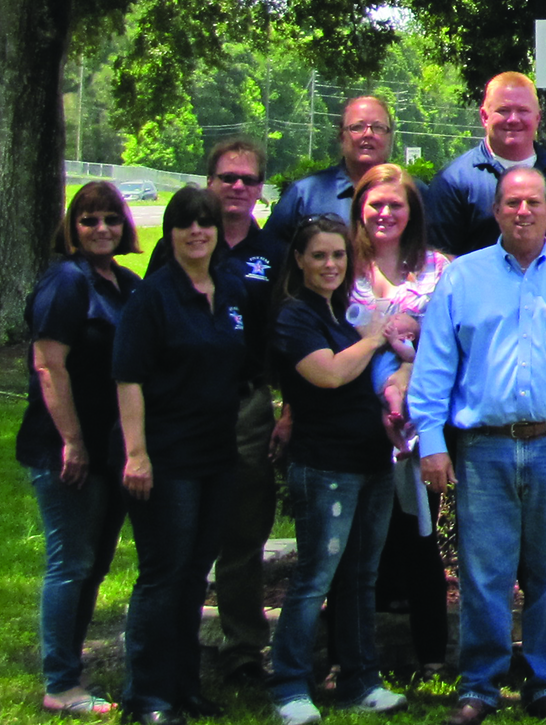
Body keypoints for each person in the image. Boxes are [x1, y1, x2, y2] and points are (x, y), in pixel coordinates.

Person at [408, 167, 546, 725]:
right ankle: (479, 685)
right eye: (512, 203)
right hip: (483, 448)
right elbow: (433, 369)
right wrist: (431, 441)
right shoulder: (462, 278)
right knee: (484, 573)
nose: (523, 212)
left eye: (534, 202)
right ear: (497, 212)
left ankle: (545, 681)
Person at [144, 140, 289, 688]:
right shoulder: (177, 244)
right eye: (227, 177)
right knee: (180, 535)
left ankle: (243, 649)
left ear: (259, 190)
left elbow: (283, 338)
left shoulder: (272, 252)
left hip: (247, 403)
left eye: (249, 180)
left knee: (243, 533)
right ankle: (169, 651)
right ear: (209, 182)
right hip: (182, 409)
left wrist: (287, 408)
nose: (237, 187)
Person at [113, 187, 253, 725]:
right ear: (170, 234)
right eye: (185, 224)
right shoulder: (153, 297)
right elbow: (128, 378)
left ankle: (183, 686)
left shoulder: (232, 290)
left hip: (216, 454)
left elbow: (240, 369)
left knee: (196, 574)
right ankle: (146, 696)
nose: (197, 232)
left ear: (218, 232)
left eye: (206, 223)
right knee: (163, 574)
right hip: (166, 458)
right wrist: (137, 453)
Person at [267, 216, 406, 725]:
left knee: (360, 577)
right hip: (325, 465)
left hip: (370, 461)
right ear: (299, 261)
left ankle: (359, 679)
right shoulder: (293, 316)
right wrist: (372, 339)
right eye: (320, 256)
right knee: (315, 577)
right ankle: (288, 686)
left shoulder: (336, 313)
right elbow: (326, 374)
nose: (330, 265)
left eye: (339, 256)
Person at [18, 182, 143, 717]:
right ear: (72, 226)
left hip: (111, 451)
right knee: (70, 564)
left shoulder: (124, 284)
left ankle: (69, 664)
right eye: (89, 220)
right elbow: (49, 364)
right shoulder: (67, 281)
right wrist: (71, 441)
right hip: (66, 451)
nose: (101, 230)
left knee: (91, 566)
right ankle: (60, 682)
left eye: (111, 219)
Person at [339, 165, 451, 680]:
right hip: (350, 426)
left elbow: (457, 340)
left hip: (416, 430)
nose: (385, 213)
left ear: (413, 212)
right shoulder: (341, 266)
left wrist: (415, 345)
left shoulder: (437, 269)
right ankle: (346, 658)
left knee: (418, 540)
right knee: (353, 548)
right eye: (376, 204)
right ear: (360, 207)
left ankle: (431, 655)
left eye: (396, 205)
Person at [424, 73, 546, 256]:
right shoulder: (452, 182)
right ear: (484, 116)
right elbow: (440, 261)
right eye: (503, 110)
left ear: (538, 117)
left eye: (523, 111)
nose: (513, 119)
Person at [265, 96, 400, 246]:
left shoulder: (413, 194)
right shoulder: (305, 195)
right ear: (341, 135)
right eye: (357, 127)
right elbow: (268, 257)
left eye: (378, 127)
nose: (368, 134)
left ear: (390, 137)